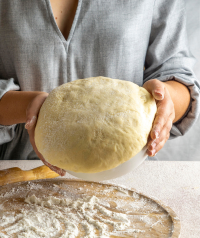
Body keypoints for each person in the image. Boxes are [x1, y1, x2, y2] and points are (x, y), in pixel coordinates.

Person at [0, 0, 199, 176]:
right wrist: (28, 107)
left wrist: (165, 98)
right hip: (21, 171)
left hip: (129, 173)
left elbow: (177, 73)